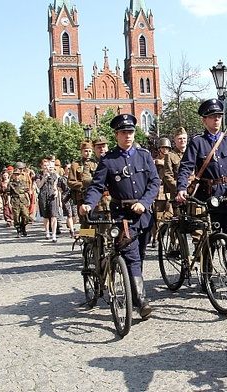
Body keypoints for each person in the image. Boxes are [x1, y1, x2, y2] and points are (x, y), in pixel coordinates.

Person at [175, 98, 227, 304]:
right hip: (207, 198)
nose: (216, 120)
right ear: (204, 120)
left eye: (219, 116)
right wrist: (182, 187)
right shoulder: (197, 142)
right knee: (208, 242)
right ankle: (207, 278)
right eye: (212, 117)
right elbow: (186, 167)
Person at [80, 114, 160, 318]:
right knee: (131, 256)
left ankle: (134, 289)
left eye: (131, 132)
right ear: (116, 135)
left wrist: (144, 203)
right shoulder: (109, 160)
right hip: (121, 216)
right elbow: (97, 186)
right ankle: (141, 301)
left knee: (140, 255)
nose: (128, 136)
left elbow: (154, 182)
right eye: (124, 132)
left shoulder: (144, 155)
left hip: (143, 215)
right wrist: (89, 204)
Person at [68, 141, 98, 228]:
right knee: (84, 220)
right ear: (81, 152)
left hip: (93, 195)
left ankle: (96, 240)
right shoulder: (75, 165)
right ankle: (86, 238)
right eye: (85, 151)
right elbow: (70, 182)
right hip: (81, 196)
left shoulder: (95, 163)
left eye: (89, 151)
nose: (87, 153)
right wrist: (83, 185)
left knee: (95, 219)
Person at [151, 137, 172, 247]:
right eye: (163, 148)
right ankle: (156, 237)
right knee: (157, 218)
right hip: (158, 193)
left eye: (167, 148)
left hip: (169, 192)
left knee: (171, 215)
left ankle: (172, 240)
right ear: (159, 149)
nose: (165, 150)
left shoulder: (171, 159)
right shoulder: (154, 161)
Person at [163, 127, 189, 215]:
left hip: (193, 192)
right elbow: (167, 175)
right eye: (180, 138)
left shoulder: (192, 154)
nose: (182, 140)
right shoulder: (170, 156)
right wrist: (179, 189)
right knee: (179, 222)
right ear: (175, 140)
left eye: (184, 138)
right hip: (177, 194)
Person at [36, 159, 60, 242]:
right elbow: (39, 186)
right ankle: (47, 232)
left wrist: (56, 192)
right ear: (42, 166)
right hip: (43, 196)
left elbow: (55, 186)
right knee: (45, 216)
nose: (46, 167)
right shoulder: (38, 175)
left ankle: (54, 234)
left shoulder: (53, 175)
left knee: (54, 215)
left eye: (48, 165)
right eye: (45, 165)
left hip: (52, 196)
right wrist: (44, 177)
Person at [8, 165, 31, 237]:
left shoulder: (23, 182)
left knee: (26, 216)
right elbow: (9, 194)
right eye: (15, 174)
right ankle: (18, 230)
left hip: (23, 200)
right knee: (16, 217)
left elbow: (26, 192)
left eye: (18, 174)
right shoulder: (11, 184)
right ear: (13, 175)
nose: (17, 176)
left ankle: (23, 227)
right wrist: (9, 202)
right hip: (15, 201)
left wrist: (28, 200)